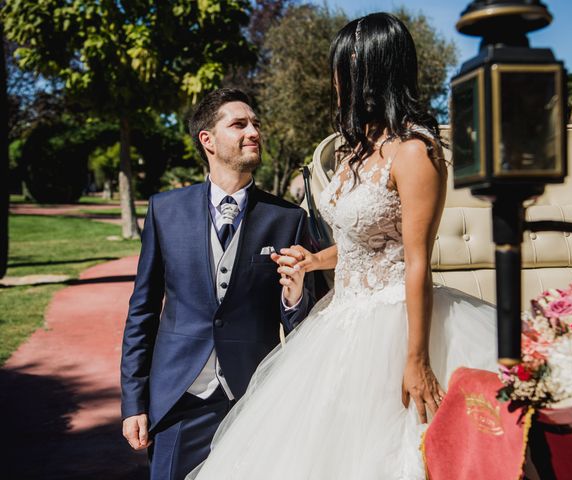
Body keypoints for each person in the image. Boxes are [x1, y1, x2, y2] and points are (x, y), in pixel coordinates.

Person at [189, 13, 498, 479]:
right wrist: (316, 260)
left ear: (369, 72)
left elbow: (416, 260)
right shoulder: (351, 150)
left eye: (342, 68)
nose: (335, 80)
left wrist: (416, 361)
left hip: (396, 324)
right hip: (339, 319)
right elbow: (362, 242)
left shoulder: (417, 152)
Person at [120, 88, 314, 480]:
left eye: (256, 124)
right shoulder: (164, 210)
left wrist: (294, 300)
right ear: (207, 139)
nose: (253, 132)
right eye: (239, 124)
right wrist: (133, 403)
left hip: (252, 400)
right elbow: (142, 311)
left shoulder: (288, 219)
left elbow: (304, 330)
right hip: (178, 400)